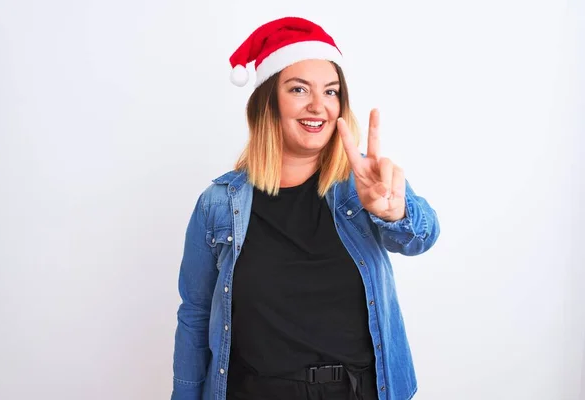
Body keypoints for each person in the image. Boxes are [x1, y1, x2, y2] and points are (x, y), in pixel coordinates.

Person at [170, 16, 440, 400]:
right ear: (268, 102)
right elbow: (195, 317)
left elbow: (423, 236)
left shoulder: (363, 184)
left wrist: (393, 213)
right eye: (299, 89)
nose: (319, 106)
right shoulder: (218, 204)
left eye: (331, 92)